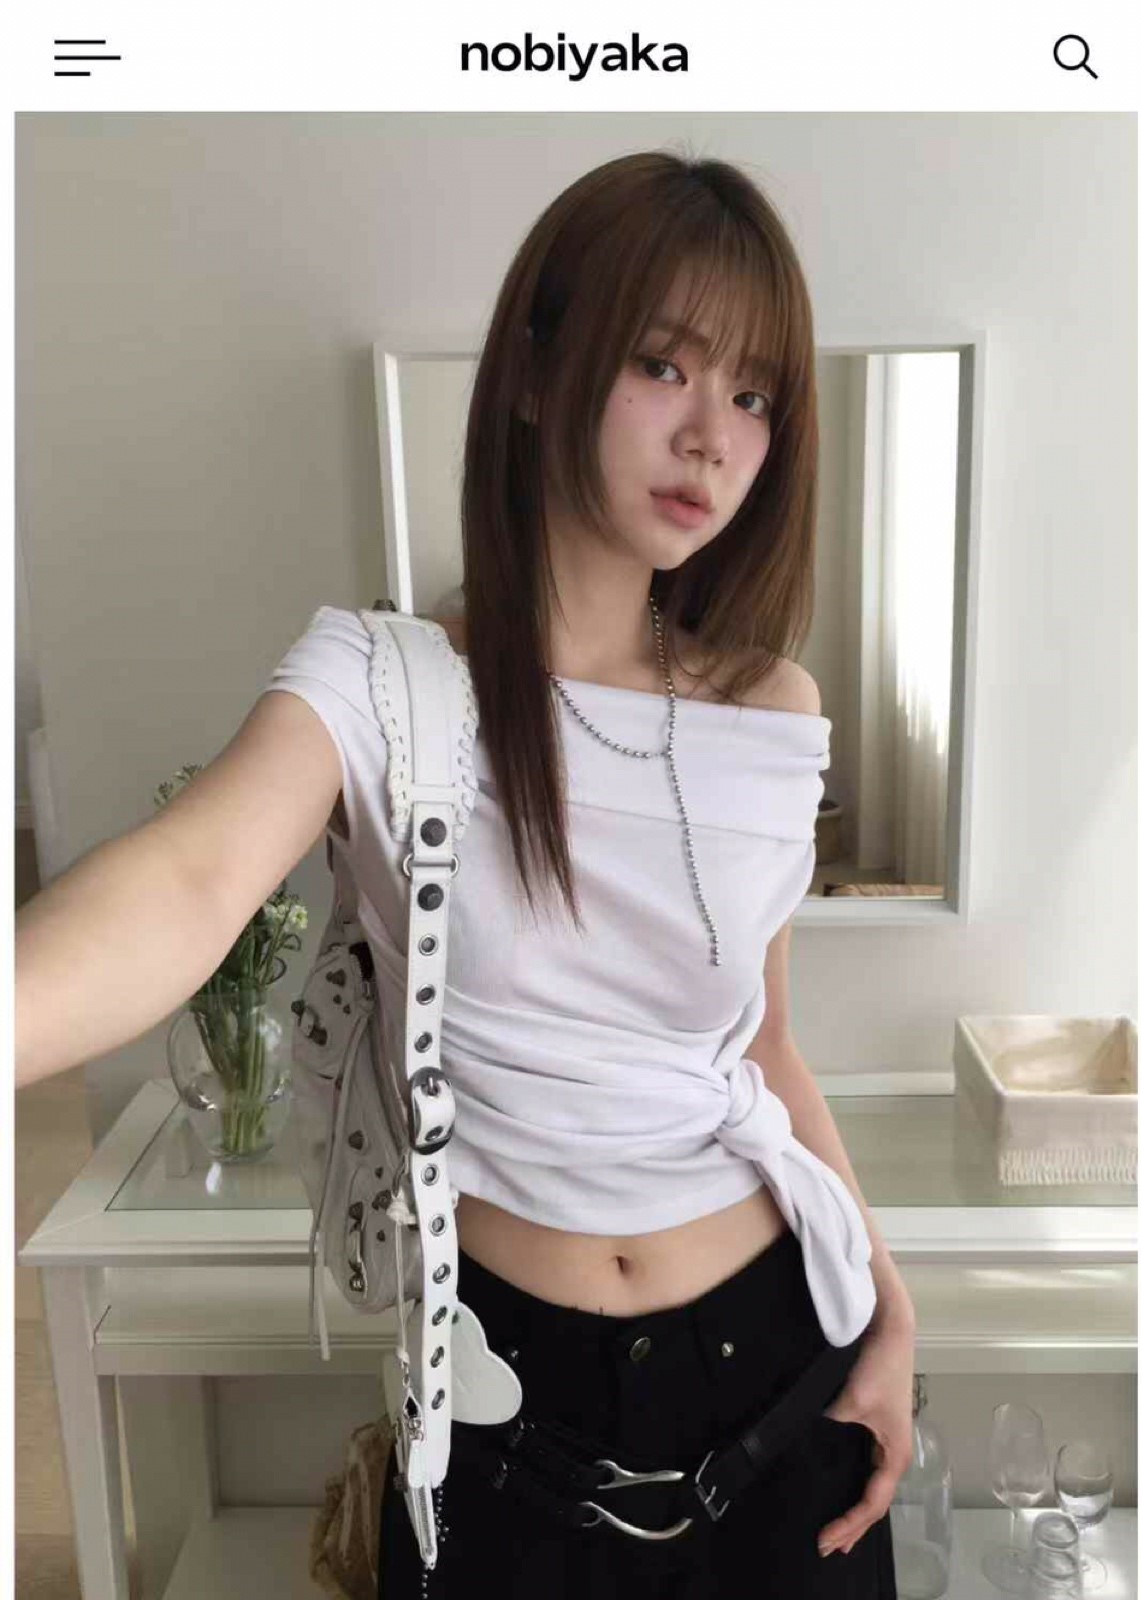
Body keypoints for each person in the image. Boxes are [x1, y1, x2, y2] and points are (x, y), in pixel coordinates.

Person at [15, 148, 916, 1597]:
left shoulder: (772, 710)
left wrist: (890, 1303)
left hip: (779, 1381)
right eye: (663, 365)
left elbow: (766, 1051)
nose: (712, 437)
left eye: (754, 396)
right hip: (510, 1412)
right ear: (537, 374)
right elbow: (186, 884)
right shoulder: (384, 686)